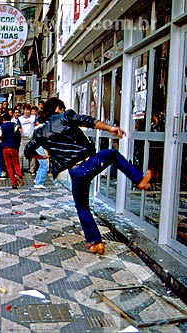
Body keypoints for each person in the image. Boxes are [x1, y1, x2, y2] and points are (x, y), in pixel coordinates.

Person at [25, 98, 152, 255]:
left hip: (76, 172)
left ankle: (96, 242)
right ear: (58, 108)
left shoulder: (40, 132)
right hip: (90, 163)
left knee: (82, 206)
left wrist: (40, 158)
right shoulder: (66, 116)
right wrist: (110, 128)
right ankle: (139, 180)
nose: (64, 110)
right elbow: (88, 121)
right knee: (112, 154)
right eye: (62, 108)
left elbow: (28, 150)